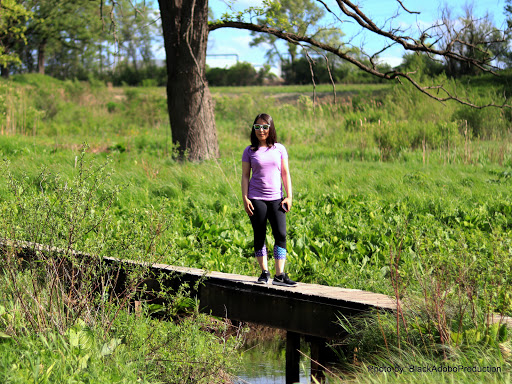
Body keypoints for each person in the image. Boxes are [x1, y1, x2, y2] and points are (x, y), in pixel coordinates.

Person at [241, 113, 297, 287]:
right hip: (256, 198)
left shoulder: (279, 149)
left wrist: (289, 196)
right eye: (257, 127)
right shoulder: (249, 151)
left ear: (270, 128)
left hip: (277, 199)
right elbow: (245, 176)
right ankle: (264, 272)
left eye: (265, 127)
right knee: (260, 235)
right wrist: (244, 198)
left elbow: (285, 173)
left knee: (280, 234)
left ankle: (279, 275)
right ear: (253, 129)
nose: (261, 130)